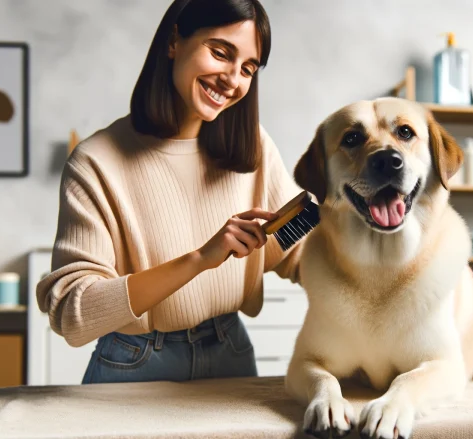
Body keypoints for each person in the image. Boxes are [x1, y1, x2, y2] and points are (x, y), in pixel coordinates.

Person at [36, 0, 305, 385]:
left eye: (248, 68)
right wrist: (199, 258)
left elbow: (297, 253)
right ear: (174, 40)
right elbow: (72, 314)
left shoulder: (255, 148)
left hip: (230, 350)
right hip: (135, 362)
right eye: (220, 52)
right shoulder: (96, 162)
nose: (233, 79)